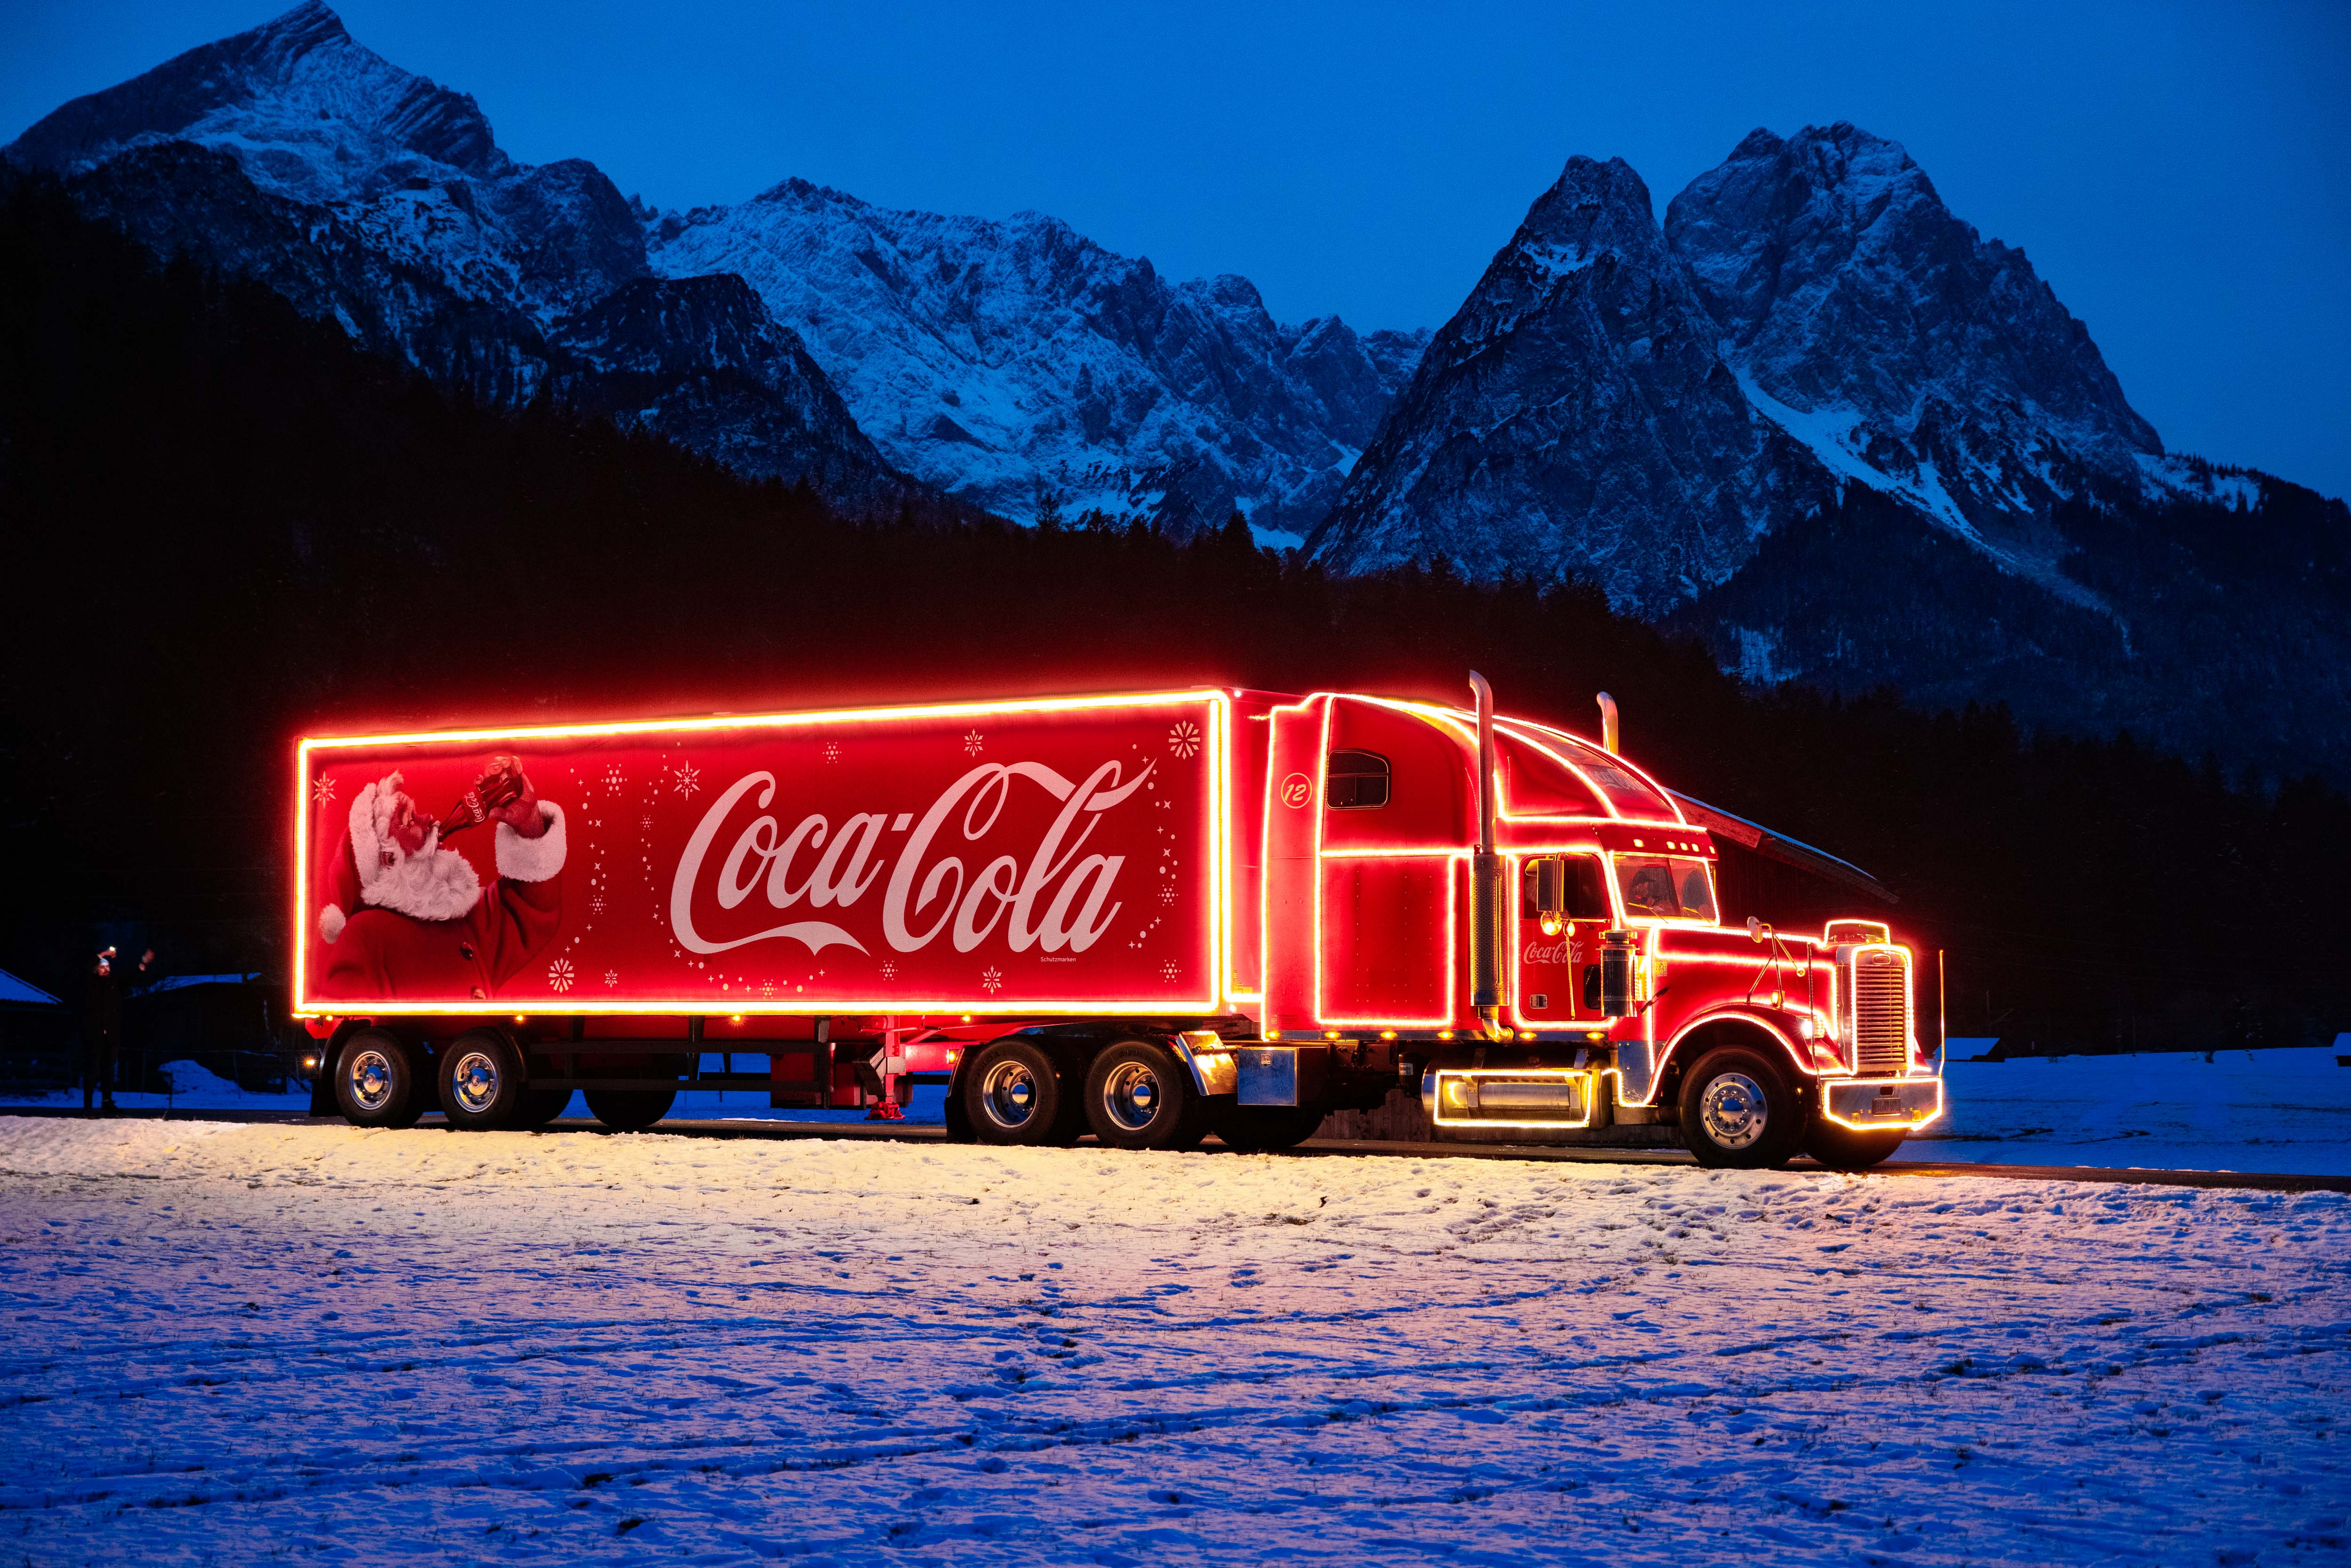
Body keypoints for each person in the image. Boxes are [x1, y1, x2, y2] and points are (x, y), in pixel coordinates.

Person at [314, 758, 566, 1001]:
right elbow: (351, 1014)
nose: (428, 818)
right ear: (390, 860)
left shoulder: (462, 917)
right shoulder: (365, 935)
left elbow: (530, 909)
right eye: (408, 820)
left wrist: (529, 821)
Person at [80, 948, 122, 1113]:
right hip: (94, 1036)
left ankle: (107, 1102)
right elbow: (85, 969)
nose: (106, 970)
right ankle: (88, 1106)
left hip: (111, 1036)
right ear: (96, 969)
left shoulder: (112, 985)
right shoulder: (90, 983)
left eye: (108, 967)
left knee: (109, 1071)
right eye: (102, 967)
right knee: (92, 1070)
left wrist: (142, 965)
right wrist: (103, 955)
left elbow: (130, 980)